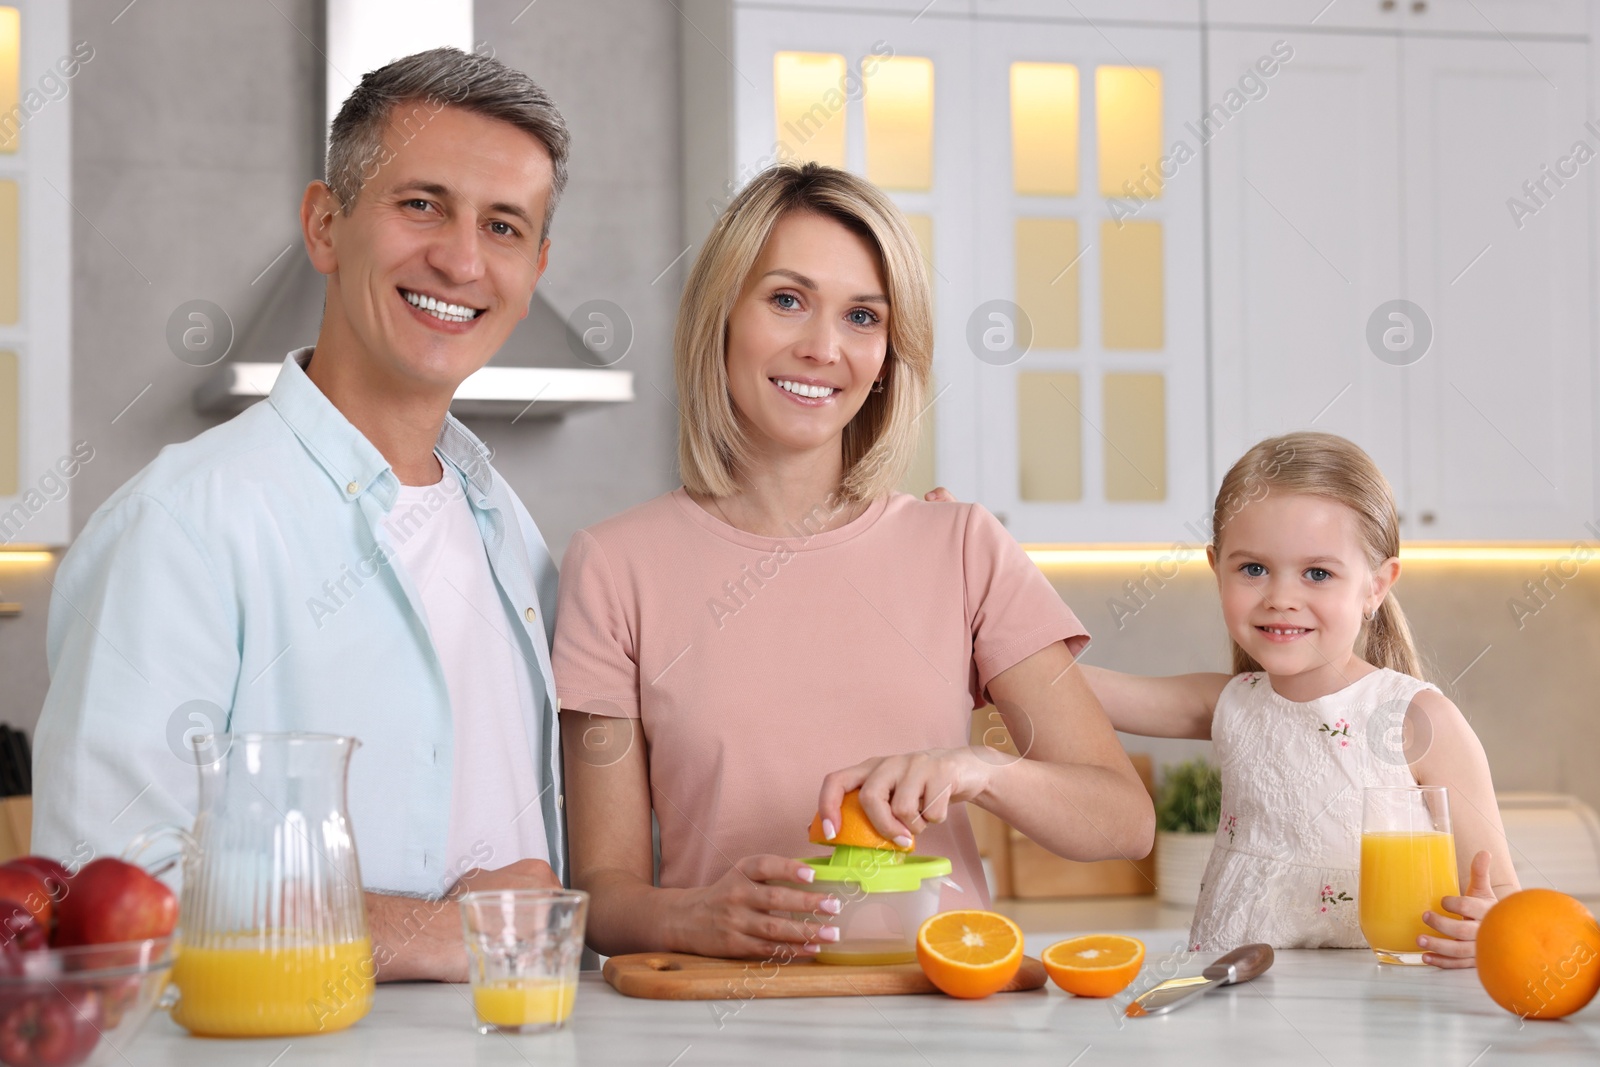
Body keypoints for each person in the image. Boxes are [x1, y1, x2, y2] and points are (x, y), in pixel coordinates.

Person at [33, 48, 572, 981]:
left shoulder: (509, 531)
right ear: (326, 226)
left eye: (504, 225)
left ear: (535, 270)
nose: (460, 257)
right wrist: (443, 931)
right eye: (421, 204)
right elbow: (106, 897)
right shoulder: (184, 524)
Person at [554, 162, 1154, 960]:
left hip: (944, 1018)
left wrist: (981, 768)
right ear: (721, 317)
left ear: (885, 357)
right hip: (721, 1025)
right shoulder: (613, 566)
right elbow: (602, 886)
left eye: (863, 316)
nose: (823, 348)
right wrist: (690, 915)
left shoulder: (963, 546)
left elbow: (1122, 819)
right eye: (787, 300)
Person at [1083, 432, 1518, 967]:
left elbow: (1501, 896)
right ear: (1216, 567)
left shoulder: (1417, 719)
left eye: (1318, 573)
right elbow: (1062, 685)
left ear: (1376, 587)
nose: (1281, 598)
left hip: (1381, 1011)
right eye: (1253, 569)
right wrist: (972, 575)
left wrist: (1488, 930)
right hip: (1235, 1002)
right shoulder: (1228, 703)